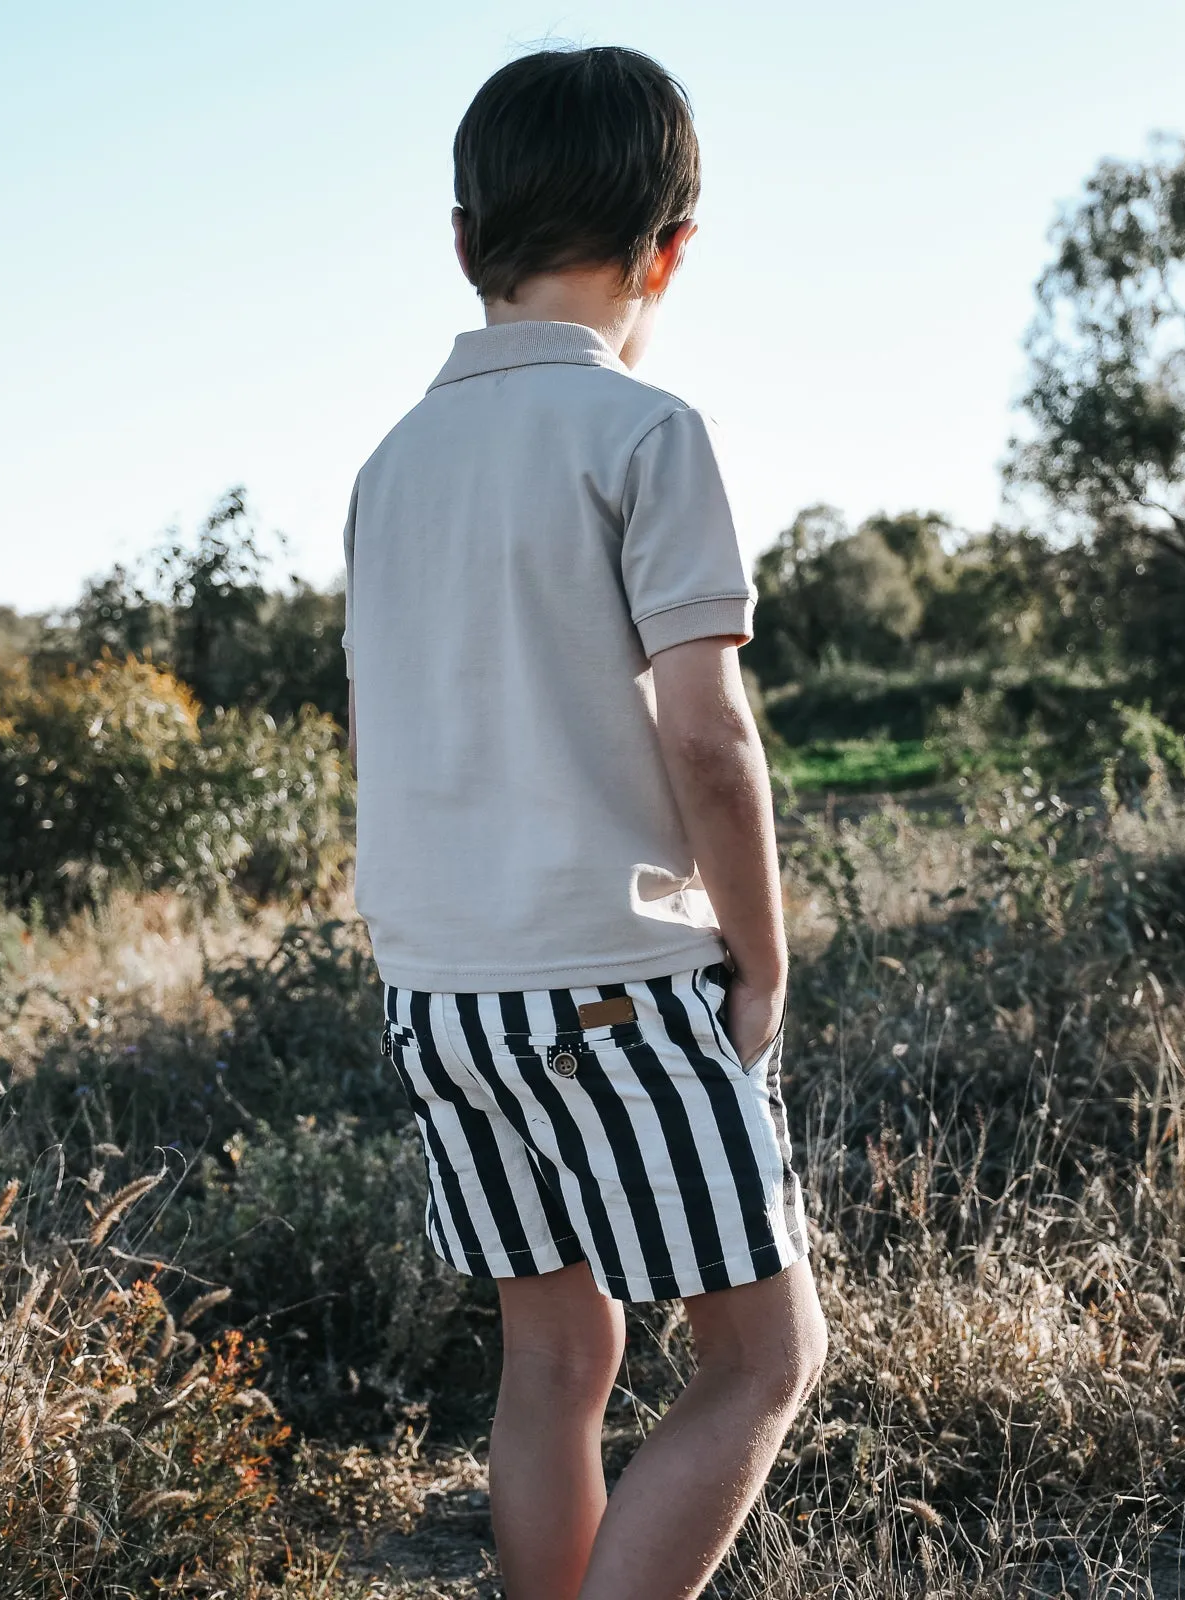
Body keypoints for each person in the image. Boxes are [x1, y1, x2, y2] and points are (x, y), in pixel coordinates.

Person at [341, 45, 827, 1600]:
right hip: (616, 983)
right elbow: (708, 730)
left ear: (464, 242)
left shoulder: (388, 465)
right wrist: (761, 955)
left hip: (441, 997)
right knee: (763, 1355)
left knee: (558, 1351)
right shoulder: (647, 433)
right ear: (669, 249)